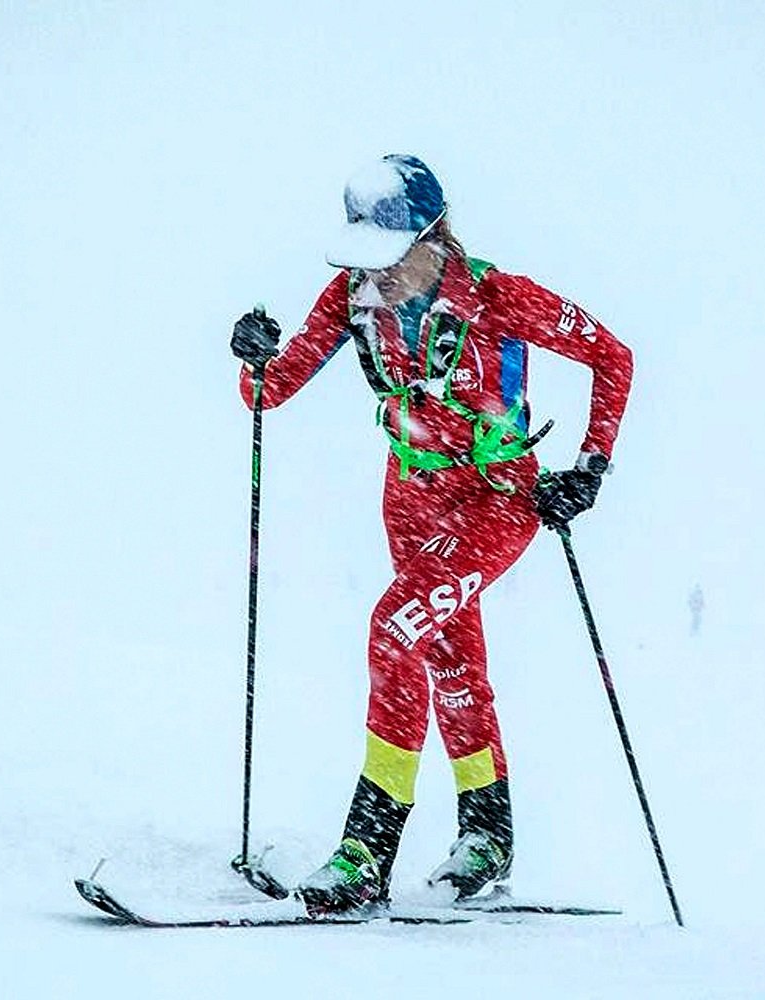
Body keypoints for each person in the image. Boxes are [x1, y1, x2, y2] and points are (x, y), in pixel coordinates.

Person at [230, 154, 633, 917]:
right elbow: (270, 391)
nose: (373, 277)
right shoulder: (353, 299)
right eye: (362, 259)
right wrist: (252, 359)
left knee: (393, 630)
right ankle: (488, 833)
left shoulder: (498, 297)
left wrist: (590, 469)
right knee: (451, 663)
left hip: (495, 501)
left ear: (433, 239)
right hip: (410, 503)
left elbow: (613, 356)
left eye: (388, 259)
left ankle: (365, 852)